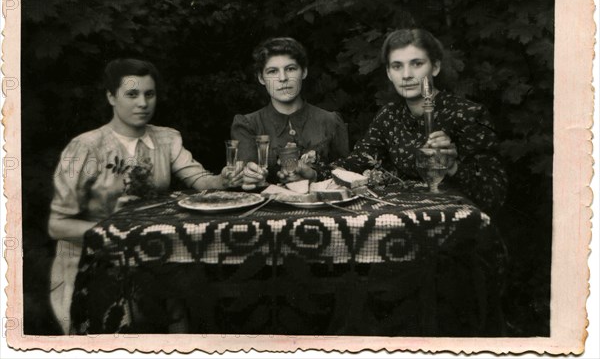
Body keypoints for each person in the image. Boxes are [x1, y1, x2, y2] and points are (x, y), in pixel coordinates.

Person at [48, 58, 242, 334]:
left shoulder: (166, 139)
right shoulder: (86, 147)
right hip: (94, 262)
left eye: (149, 94)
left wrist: (223, 179)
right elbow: (58, 225)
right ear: (111, 97)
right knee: (167, 292)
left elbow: (199, 180)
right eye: (132, 94)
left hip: (152, 254)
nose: (142, 103)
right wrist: (113, 225)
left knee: (193, 284)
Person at [337, 29, 507, 212]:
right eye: (397, 66)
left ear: (435, 67)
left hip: (457, 223)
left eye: (417, 64)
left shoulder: (468, 114)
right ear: (388, 73)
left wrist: (453, 167)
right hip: (402, 219)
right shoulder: (389, 115)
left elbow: (495, 194)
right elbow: (354, 165)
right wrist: (313, 172)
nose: (406, 74)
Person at [231, 37, 349, 188]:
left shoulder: (330, 120)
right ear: (261, 78)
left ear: (304, 72)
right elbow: (244, 182)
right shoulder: (247, 124)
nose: (283, 78)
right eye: (273, 71)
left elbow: (347, 174)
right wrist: (249, 177)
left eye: (290, 69)